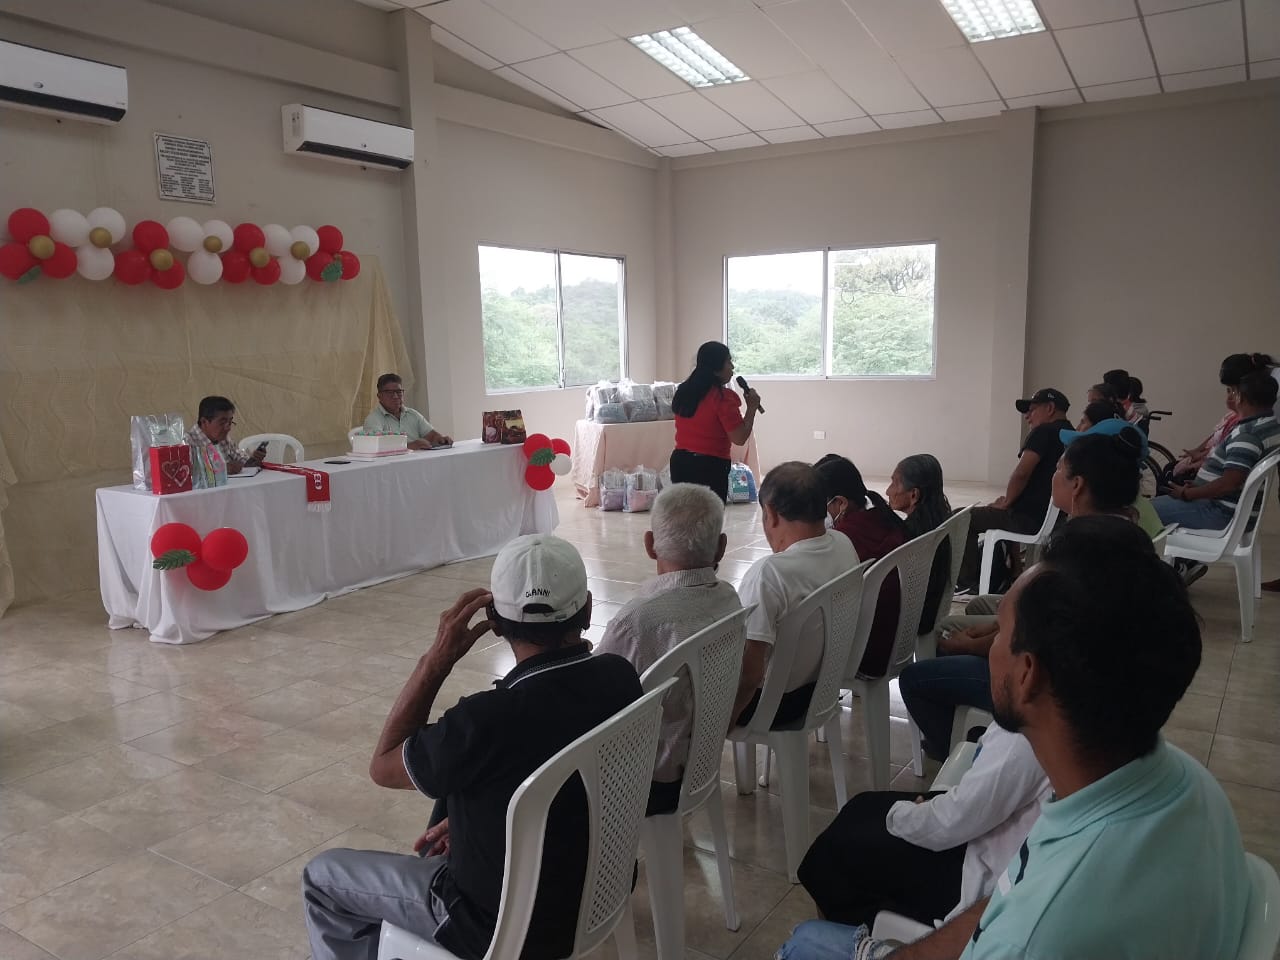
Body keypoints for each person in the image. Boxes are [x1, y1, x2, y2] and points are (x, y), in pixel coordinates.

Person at [800, 516, 1250, 960]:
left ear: (1027, 674)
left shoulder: (1034, 937)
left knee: (804, 942)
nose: (991, 648)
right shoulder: (1191, 784)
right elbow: (1009, 890)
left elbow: (1018, 921)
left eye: (1002, 635)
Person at [302, 535, 642, 960]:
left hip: (499, 927)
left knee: (321, 878)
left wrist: (436, 661)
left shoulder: (484, 721)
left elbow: (383, 766)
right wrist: (475, 823)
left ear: (494, 622)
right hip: (602, 891)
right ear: (588, 609)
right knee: (451, 803)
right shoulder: (620, 676)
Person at [901, 426, 1153, 764]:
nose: (1052, 476)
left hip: (1050, 688)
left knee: (915, 677)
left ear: (1077, 485)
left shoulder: (1079, 549)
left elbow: (1032, 638)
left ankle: (959, 754)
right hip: (1088, 679)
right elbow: (1031, 614)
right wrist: (987, 632)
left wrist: (968, 645)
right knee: (964, 625)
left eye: (1058, 469)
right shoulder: (1126, 531)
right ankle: (970, 728)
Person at [784, 722, 1049, 956]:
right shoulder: (1041, 726)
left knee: (837, 850)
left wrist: (906, 814)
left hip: (977, 857)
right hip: (983, 834)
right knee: (859, 809)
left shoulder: (1026, 737)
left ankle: (848, 937)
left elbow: (956, 819)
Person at [594, 483, 742, 815]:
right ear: (721, 547)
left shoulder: (637, 621)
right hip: (702, 762)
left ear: (649, 545)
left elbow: (593, 697)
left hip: (645, 781)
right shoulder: (729, 598)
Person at [733, 462, 858, 728]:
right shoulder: (844, 543)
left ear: (770, 514)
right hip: (824, 689)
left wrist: (724, 722)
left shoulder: (769, 574)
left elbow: (749, 674)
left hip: (774, 706)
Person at [955, 389, 1072, 593]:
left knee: (961, 518)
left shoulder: (1043, 432)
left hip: (1028, 519)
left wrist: (1007, 501)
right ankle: (1015, 570)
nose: (1027, 416)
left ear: (1050, 408)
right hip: (1051, 518)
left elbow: (1021, 473)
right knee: (1004, 513)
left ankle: (966, 583)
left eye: (1032, 410)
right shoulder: (1071, 435)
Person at [815, 454, 907, 678]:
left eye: (817, 505)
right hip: (892, 640)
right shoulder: (880, 517)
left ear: (841, 503)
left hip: (865, 652)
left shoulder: (845, 538)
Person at [1154, 370, 1280, 531]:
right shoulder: (1269, 425)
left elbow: (1229, 484)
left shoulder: (1248, 435)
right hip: (1223, 506)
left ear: (1240, 398)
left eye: (1233, 392)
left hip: (1219, 512)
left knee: (1141, 513)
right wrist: (1200, 487)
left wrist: (1186, 494)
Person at [670, 341, 761, 501]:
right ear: (716, 367)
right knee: (709, 513)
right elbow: (739, 438)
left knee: (684, 512)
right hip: (709, 466)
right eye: (728, 362)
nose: (732, 367)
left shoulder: (684, 392)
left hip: (681, 462)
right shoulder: (723, 398)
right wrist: (752, 408)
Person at [885, 454, 954, 635]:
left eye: (894, 483)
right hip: (930, 614)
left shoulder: (911, 537)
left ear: (914, 495)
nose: (887, 491)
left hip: (912, 622)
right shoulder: (939, 521)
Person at [364, 373, 452, 450]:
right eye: (389, 392)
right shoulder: (373, 419)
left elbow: (431, 435)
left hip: (419, 460)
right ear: (379, 396)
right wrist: (412, 446)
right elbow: (376, 447)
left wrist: (440, 439)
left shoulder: (412, 414)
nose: (395, 396)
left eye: (399, 392)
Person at [185, 395, 263, 476]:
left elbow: (243, 462)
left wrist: (253, 460)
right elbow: (186, 474)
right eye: (222, 423)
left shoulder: (223, 439)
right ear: (204, 422)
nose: (228, 428)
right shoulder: (186, 443)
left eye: (230, 422)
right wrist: (219, 469)